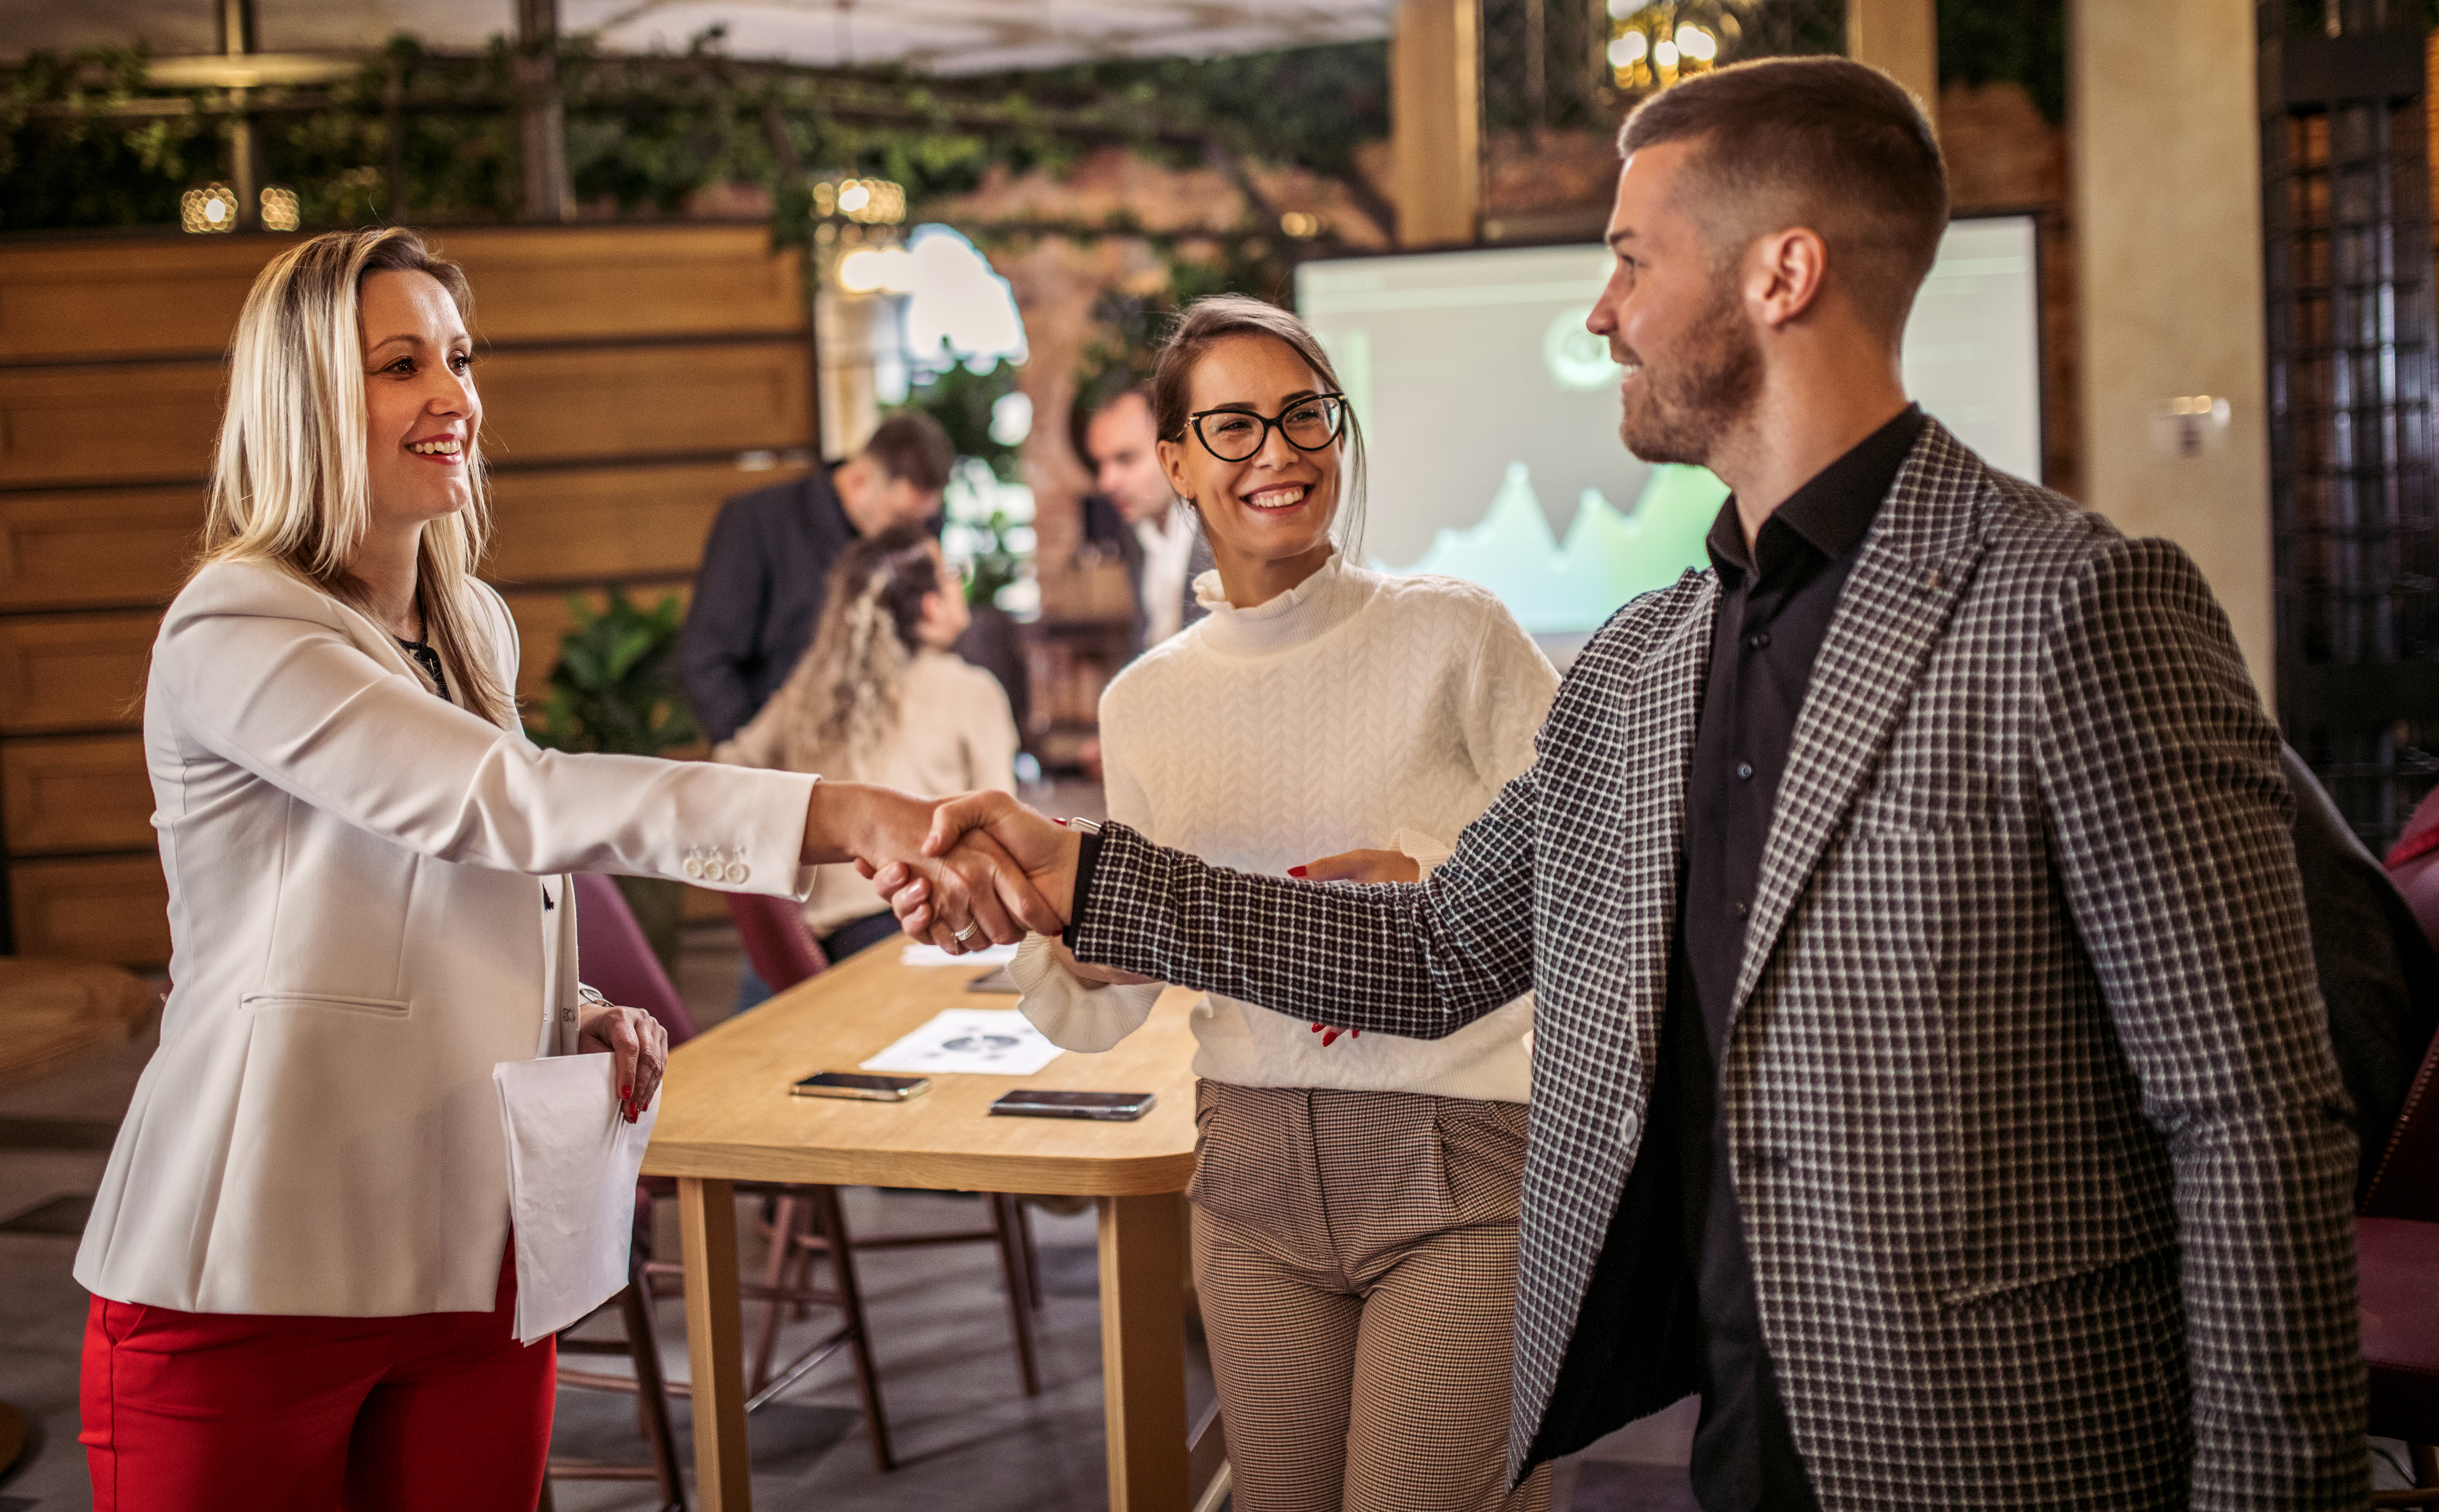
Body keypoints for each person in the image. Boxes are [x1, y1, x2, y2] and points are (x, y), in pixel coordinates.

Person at [882, 57, 2370, 1510]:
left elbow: (2247, 1116)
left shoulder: (2072, 604)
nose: (1598, 313)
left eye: (1628, 261)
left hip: (2004, 1438)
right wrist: (1083, 873)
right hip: (1741, 1417)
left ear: (1779, 275)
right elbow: (1433, 949)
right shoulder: (1647, 661)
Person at [73, 228, 1052, 1511]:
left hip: (472, 1247)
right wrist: (845, 810)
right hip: (254, 1258)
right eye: (399, 362)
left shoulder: (465, 614)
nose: (452, 394)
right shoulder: (238, 619)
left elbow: (447, 885)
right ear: (300, 394)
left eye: (460, 357)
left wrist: (570, 1005)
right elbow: (499, 804)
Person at [1018, 297, 1557, 1512]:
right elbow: (1152, 951)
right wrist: (1045, 916)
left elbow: (1603, 868)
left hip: (1454, 1160)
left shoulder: (1454, 632)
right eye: (1233, 425)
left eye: (1305, 414)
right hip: (1248, 1172)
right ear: (1172, 464)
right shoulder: (1143, 702)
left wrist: (1430, 888)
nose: (1279, 450)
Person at [717, 523, 1020, 964]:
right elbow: (1003, 825)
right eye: (951, 573)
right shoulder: (971, 689)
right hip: (929, 930)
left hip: (823, 942)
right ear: (932, 607)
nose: (959, 583)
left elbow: (731, 768)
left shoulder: (810, 692)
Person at [680, 411, 955, 745]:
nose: (912, 537)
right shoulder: (757, 523)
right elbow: (706, 657)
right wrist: (760, 763)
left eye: (924, 521)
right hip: (789, 756)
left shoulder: (921, 531)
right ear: (859, 482)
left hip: (898, 750)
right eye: (899, 517)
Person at [1076, 380, 1215, 657]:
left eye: (1125, 459)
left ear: (1177, 452)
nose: (1106, 483)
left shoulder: (1225, 529)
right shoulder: (1136, 533)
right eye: (1100, 463)